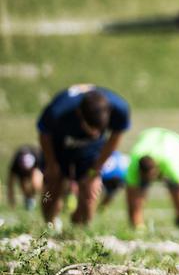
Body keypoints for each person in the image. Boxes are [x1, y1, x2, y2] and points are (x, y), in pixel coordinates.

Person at [37, 85, 130, 227]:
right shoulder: (57, 111)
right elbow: (44, 134)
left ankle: (80, 229)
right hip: (59, 144)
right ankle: (48, 225)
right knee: (54, 184)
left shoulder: (120, 109)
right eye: (90, 128)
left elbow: (115, 137)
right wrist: (51, 164)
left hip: (92, 149)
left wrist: (96, 170)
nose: (94, 133)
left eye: (99, 130)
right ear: (79, 113)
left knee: (89, 190)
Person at [125, 128, 179, 233]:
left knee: (176, 189)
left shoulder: (171, 163)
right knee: (138, 191)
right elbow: (131, 194)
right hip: (150, 136)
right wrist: (136, 226)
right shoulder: (133, 164)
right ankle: (138, 225)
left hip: (176, 144)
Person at [6, 145, 43, 211]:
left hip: (35, 168)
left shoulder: (37, 157)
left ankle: (39, 199)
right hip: (21, 172)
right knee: (24, 186)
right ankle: (29, 200)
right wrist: (11, 198)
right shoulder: (16, 164)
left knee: (36, 184)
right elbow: (10, 183)